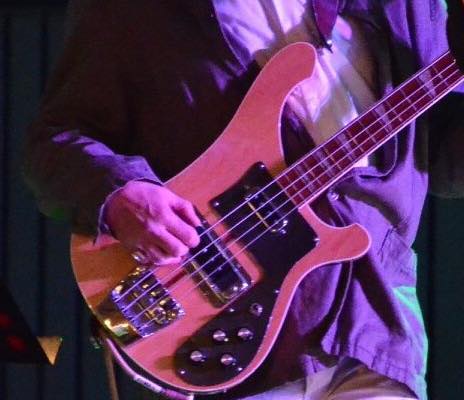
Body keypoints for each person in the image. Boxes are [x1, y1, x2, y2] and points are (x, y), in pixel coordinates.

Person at [23, 1, 464, 399]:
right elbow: (55, 142)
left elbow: (445, 159)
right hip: (222, 333)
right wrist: (119, 195)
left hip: (371, 329)